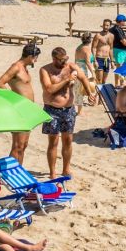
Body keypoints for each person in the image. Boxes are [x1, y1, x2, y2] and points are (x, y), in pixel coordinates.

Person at [39, 47, 97, 178]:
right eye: (61, 60)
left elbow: (83, 77)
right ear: (54, 59)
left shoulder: (71, 66)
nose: (65, 62)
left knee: (68, 140)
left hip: (69, 110)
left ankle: (66, 169)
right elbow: (49, 89)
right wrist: (66, 80)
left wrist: (89, 93)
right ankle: (52, 172)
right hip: (52, 110)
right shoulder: (45, 70)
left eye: (66, 59)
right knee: (53, 142)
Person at [0, 43, 41, 165]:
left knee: (24, 145)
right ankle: (10, 172)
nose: (36, 61)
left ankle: (19, 170)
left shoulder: (24, 68)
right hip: (19, 110)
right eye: (36, 58)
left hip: (28, 110)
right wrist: (14, 100)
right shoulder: (16, 67)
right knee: (17, 145)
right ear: (31, 56)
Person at [92, 20, 116, 85]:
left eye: (107, 25)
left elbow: (111, 49)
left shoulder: (112, 36)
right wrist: (94, 60)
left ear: (110, 26)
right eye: (104, 25)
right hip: (99, 58)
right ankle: (98, 94)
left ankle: (101, 94)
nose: (105, 27)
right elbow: (93, 48)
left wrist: (112, 61)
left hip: (106, 59)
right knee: (99, 80)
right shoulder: (98, 35)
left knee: (104, 81)